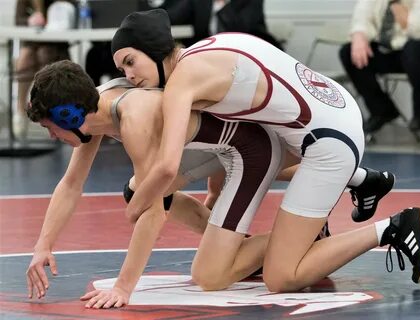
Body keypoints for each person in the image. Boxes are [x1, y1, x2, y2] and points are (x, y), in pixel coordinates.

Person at [110, 9, 420, 293]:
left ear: (153, 48)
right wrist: (214, 197)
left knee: (281, 277)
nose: (129, 75)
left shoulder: (182, 83)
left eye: (130, 62)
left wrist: (134, 207)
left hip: (328, 142)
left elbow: (167, 166)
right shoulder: (205, 50)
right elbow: (229, 141)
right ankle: (360, 180)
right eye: (122, 69)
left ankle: (391, 228)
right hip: (326, 114)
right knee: (254, 152)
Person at [24, 60, 301, 305]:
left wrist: (123, 287)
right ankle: (238, 248)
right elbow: (72, 184)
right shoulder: (93, 106)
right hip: (211, 148)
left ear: (70, 116)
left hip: (246, 149)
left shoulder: (134, 119)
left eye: (49, 127)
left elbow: (154, 213)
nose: (51, 136)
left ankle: (303, 235)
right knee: (137, 192)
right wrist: (43, 246)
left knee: (209, 275)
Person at [339, 0, 420, 134]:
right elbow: (361, 17)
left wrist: (397, 6)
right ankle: (382, 110)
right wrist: (359, 36)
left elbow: (419, 30)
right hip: (388, 51)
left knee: (415, 49)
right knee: (348, 52)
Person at [13, 0, 74, 140]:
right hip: (31, 41)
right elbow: (18, 21)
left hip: (56, 44)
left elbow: (71, 17)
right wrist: (30, 21)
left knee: (44, 54)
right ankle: (20, 110)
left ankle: (51, 109)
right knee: (24, 59)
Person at [164, 0, 283, 49]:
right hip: (205, 53)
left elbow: (243, 29)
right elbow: (171, 16)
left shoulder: (249, 2)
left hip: (245, 51)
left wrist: (223, 4)